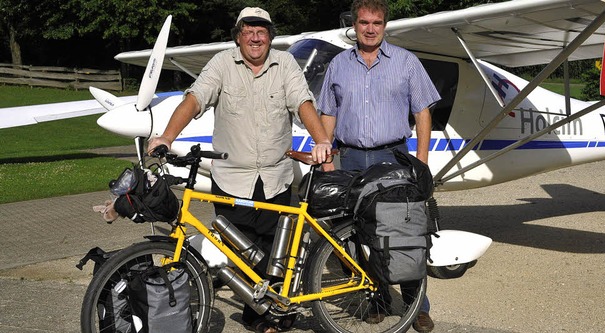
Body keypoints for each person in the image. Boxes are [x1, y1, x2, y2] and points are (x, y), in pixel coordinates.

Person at [147, 7, 332, 333]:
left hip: (276, 177)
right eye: (249, 30)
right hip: (233, 178)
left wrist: (321, 140)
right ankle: (257, 315)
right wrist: (166, 136)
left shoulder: (285, 63)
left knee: (277, 250)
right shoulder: (222, 64)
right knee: (242, 252)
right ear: (238, 35)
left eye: (262, 30)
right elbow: (194, 99)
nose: (256, 37)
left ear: (270, 36)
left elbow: (303, 103)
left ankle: (275, 311)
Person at [317, 0, 441, 332]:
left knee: (405, 232)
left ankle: (418, 306)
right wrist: (328, 158)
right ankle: (378, 299)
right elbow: (327, 113)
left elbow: (422, 114)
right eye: (363, 23)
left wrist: (422, 161)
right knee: (358, 236)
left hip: (392, 158)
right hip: (352, 158)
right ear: (354, 26)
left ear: (385, 25)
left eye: (377, 23)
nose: (370, 29)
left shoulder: (406, 62)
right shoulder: (338, 65)